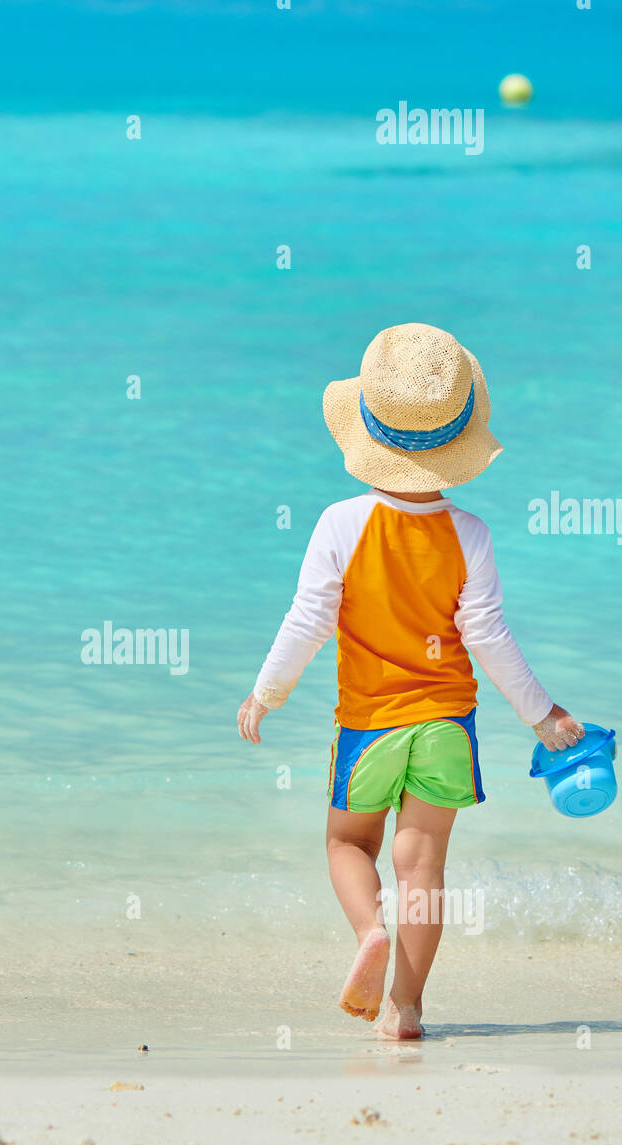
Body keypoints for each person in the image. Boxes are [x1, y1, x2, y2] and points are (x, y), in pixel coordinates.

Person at [237, 324, 583, 1039]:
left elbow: (308, 621)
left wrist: (266, 692)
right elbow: (487, 635)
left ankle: (369, 930)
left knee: (348, 847)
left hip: (370, 723)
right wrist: (543, 715)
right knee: (421, 867)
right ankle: (407, 1009)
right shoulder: (471, 534)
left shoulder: (341, 524)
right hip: (447, 726)